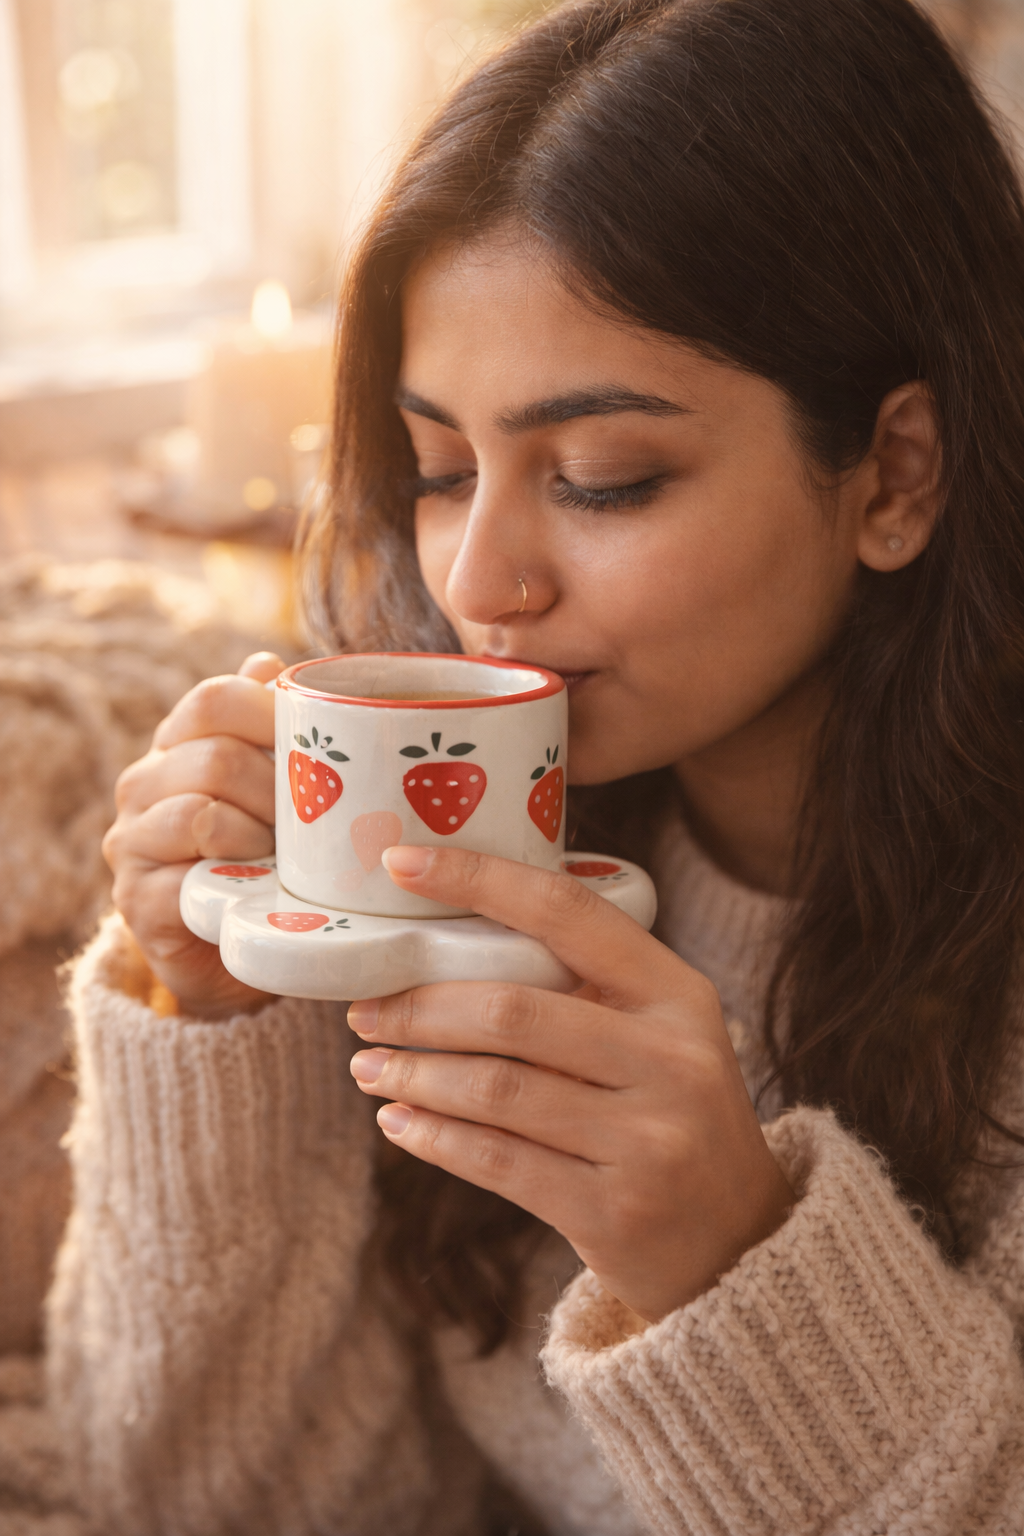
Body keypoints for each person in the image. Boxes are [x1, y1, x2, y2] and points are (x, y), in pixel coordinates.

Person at [49, 1, 1024, 1531]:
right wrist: (214, 1018)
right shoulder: (453, 876)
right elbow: (234, 1503)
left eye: (601, 478)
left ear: (895, 475)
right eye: (440, 469)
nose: (477, 581)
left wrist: (733, 1264)